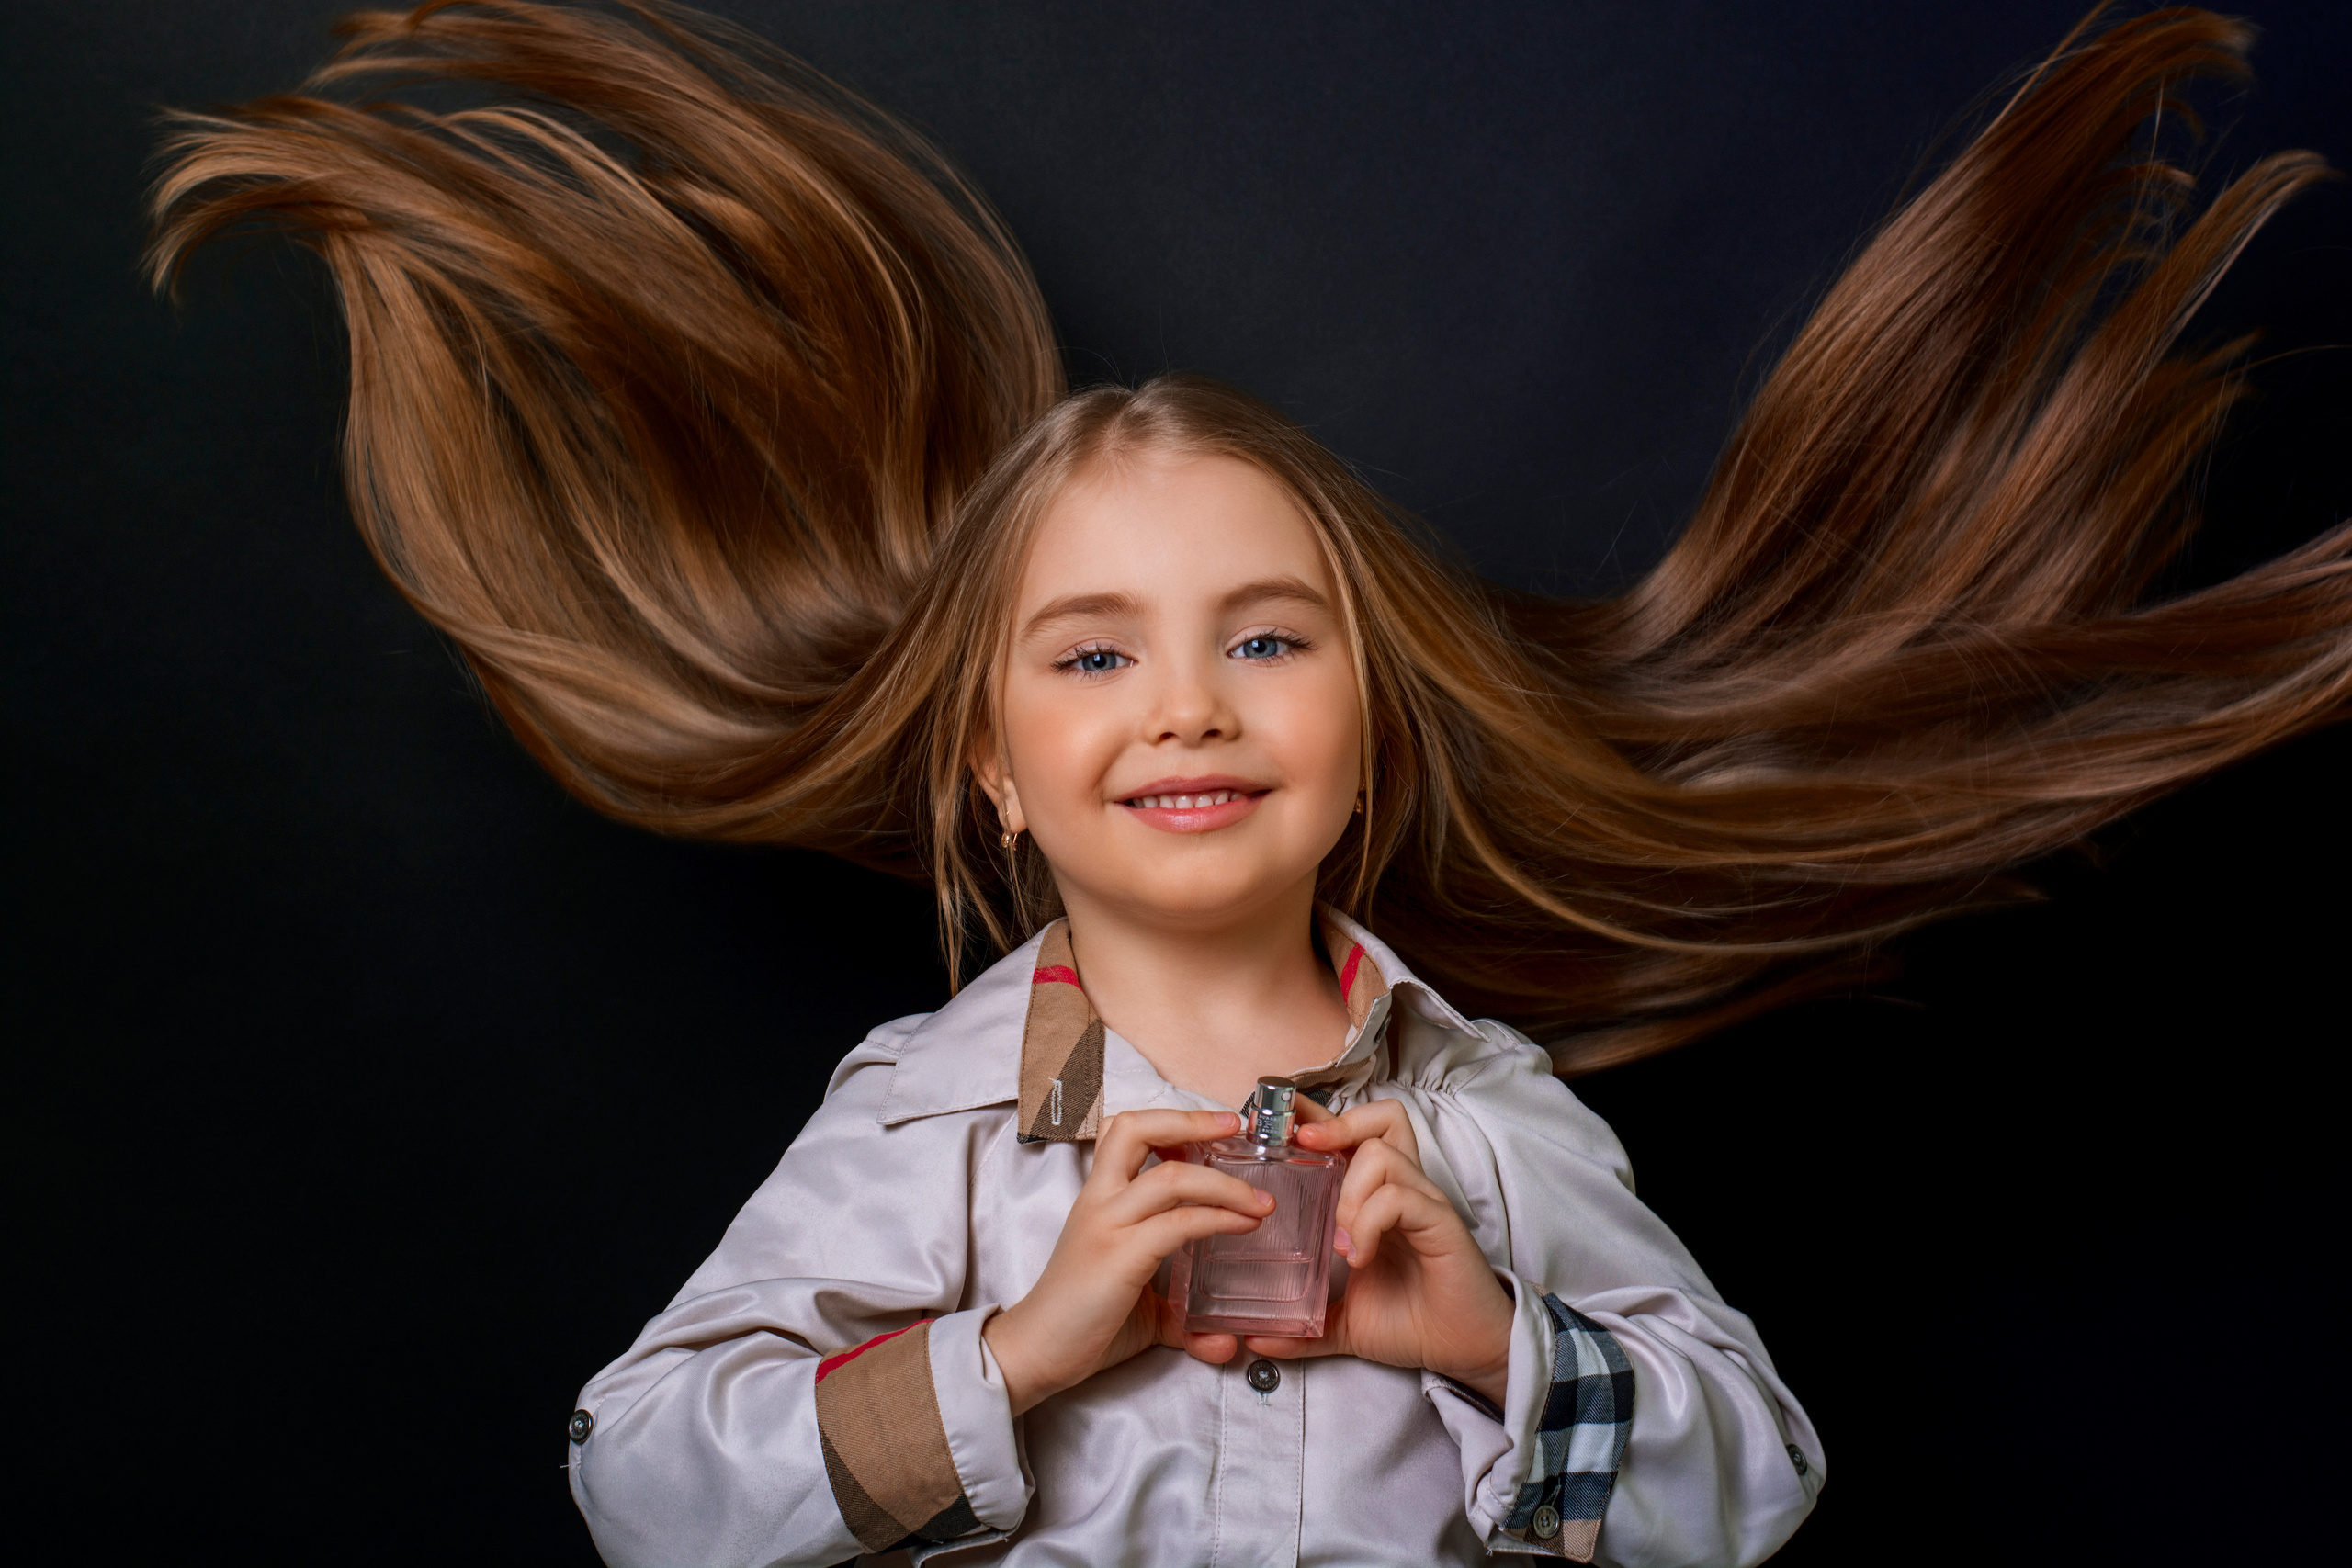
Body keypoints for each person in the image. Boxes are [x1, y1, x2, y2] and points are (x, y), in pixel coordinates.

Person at [145, 3, 2348, 1563]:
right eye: (1093, 653)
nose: (1185, 704)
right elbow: (643, 1491)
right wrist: (1022, 1344)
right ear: (994, 771)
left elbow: (1754, 1483)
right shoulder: (914, 1125)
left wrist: (1481, 1327)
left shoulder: (1488, 1122)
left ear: (1364, 722)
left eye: (1266, 637)